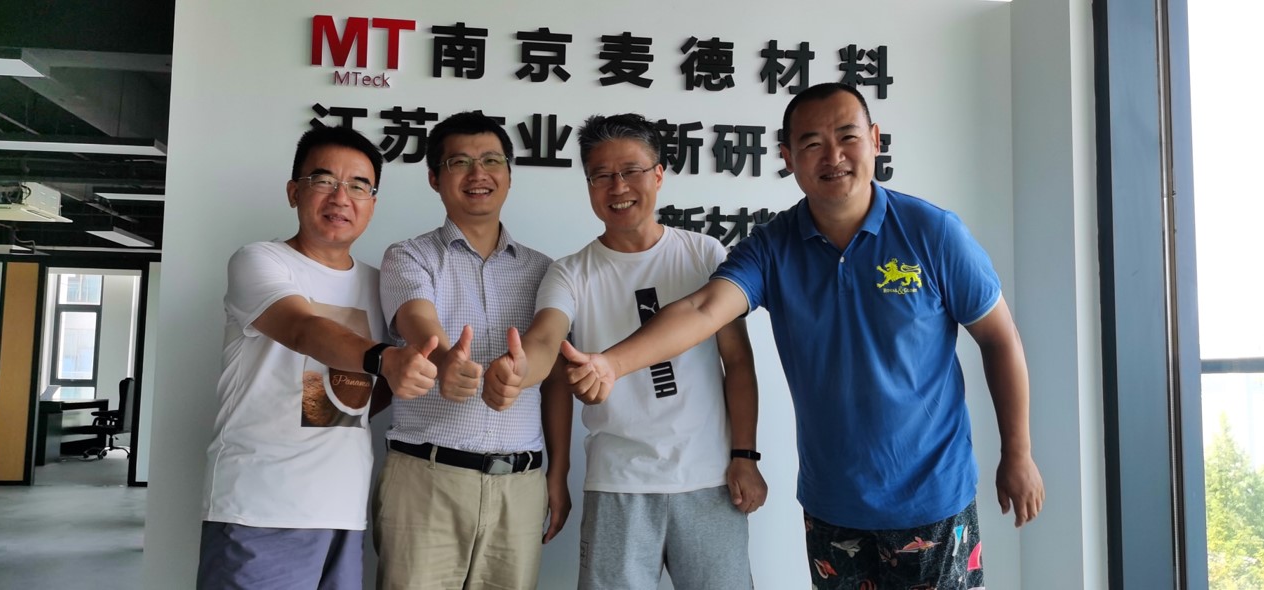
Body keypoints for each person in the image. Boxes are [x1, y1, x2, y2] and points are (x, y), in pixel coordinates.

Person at [560, 83, 1046, 589]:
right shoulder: (773, 247)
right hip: (833, 505)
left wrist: (1017, 451)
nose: (833, 156)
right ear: (788, 157)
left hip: (933, 499)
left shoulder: (932, 233)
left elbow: (1000, 338)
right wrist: (612, 364)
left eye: (847, 137)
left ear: (875, 140)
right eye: (812, 143)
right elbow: (704, 308)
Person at [482, 113, 766, 589]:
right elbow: (546, 342)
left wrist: (746, 454)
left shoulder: (704, 254)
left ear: (659, 174)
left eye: (631, 170)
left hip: (710, 478)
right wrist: (518, 370)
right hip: (618, 483)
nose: (618, 187)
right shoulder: (570, 273)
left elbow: (737, 362)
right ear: (589, 186)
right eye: (601, 175)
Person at [198, 125, 439, 590]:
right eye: (324, 181)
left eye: (359, 186)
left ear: (373, 202)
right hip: (259, 508)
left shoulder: (379, 283)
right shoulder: (260, 261)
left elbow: (363, 395)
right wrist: (386, 359)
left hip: (343, 513)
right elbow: (302, 329)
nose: (341, 198)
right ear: (294, 192)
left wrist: (403, 371)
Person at [374, 111, 569, 589]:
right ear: (434, 178)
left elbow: (555, 380)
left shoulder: (546, 271)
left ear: (509, 175)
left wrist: (558, 473)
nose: (478, 173)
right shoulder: (409, 255)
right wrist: (446, 361)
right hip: (426, 480)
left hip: (520, 486)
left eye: (491, 160)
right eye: (459, 162)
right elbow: (418, 322)